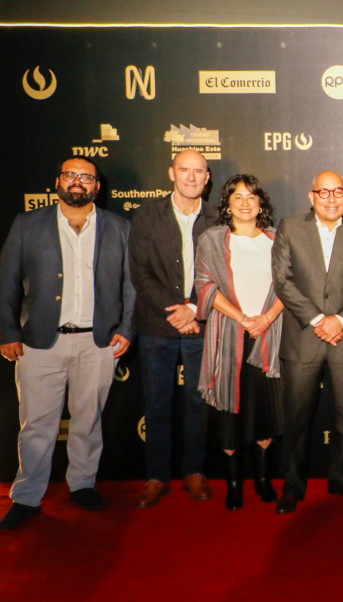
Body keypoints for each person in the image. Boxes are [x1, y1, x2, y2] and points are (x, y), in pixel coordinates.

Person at [0, 158, 134, 530]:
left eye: (86, 177)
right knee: (36, 424)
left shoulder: (119, 227)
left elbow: (131, 285)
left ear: (97, 186)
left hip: (98, 342)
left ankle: (82, 485)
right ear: (58, 181)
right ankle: (27, 497)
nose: (78, 182)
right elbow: (6, 281)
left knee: (88, 420)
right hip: (39, 343)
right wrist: (7, 331)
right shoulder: (28, 224)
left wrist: (127, 328)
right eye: (71, 175)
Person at [271, 171, 343, 514]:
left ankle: (341, 479)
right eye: (324, 192)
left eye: (338, 192)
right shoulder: (290, 228)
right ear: (312, 196)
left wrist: (340, 320)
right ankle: (292, 486)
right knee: (296, 419)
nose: (331, 198)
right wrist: (319, 320)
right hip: (303, 338)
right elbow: (282, 281)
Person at [129, 149, 218, 507]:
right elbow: (140, 273)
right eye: (185, 170)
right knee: (156, 403)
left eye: (198, 171)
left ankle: (194, 472)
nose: (191, 177)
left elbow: (223, 272)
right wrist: (176, 311)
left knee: (198, 402)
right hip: (156, 324)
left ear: (207, 178)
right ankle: (156, 476)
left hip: (202, 324)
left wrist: (194, 308)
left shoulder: (218, 218)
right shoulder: (147, 215)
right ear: (172, 173)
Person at [194, 175, 286, 510]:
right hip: (228, 336)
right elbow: (204, 285)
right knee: (228, 416)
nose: (245, 203)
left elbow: (291, 285)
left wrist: (266, 319)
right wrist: (242, 318)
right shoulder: (212, 239)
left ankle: (262, 480)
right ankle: (234, 485)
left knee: (265, 413)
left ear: (261, 204)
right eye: (238, 197)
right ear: (228, 204)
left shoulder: (277, 240)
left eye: (251, 197)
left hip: (268, 338)